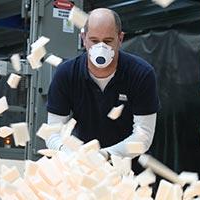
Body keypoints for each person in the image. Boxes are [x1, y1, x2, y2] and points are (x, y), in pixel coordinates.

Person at [45, 8, 160, 163]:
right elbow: (53, 132)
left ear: (120, 39)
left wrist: (105, 155)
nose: (100, 48)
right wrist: (70, 153)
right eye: (94, 40)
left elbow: (143, 135)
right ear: (83, 38)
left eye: (107, 41)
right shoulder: (66, 74)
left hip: (129, 170)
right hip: (82, 169)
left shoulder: (140, 74)